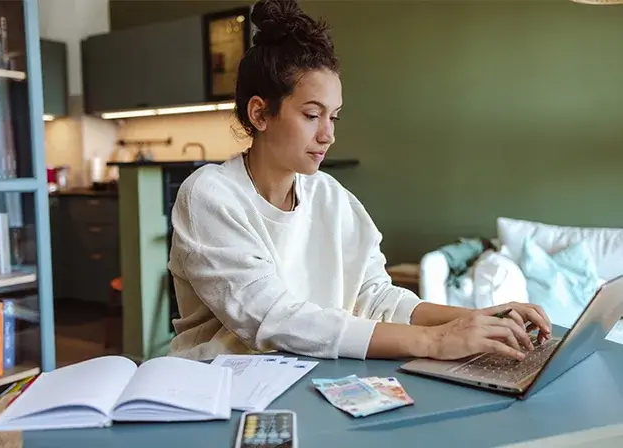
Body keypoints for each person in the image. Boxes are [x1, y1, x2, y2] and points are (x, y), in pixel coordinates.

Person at [167, 0, 551, 362]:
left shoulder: (332, 198)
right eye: (311, 114)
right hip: (218, 394)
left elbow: (375, 297)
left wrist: (482, 318)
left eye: (333, 117)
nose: (328, 135)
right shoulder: (210, 195)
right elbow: (274, 319)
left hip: (309, 380)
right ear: (260, 113)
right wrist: (436, 340)